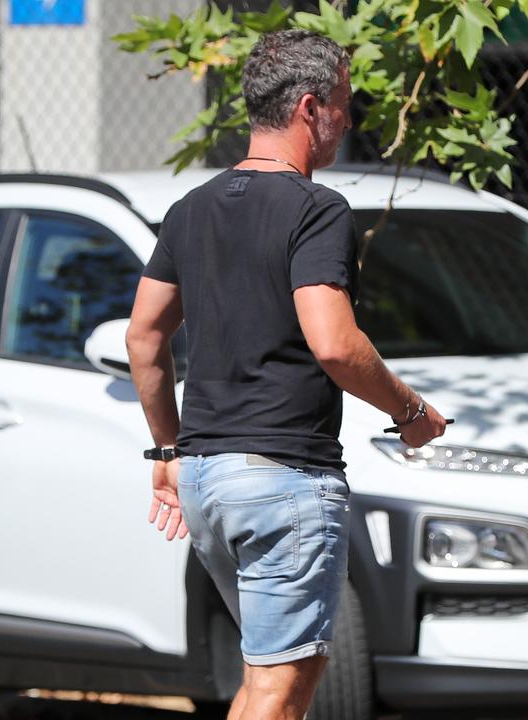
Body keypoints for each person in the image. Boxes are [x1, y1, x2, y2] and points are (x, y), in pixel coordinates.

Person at [125, 29, 447, 720]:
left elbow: (144, 336)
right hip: (283, 480)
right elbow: (333, 344)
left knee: (269, 678)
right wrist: (411, 412)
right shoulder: (317, 209)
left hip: (209, 479)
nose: (350, 121)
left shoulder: (192, 210)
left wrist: (168, 449)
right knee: (281, 686)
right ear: (309, 107)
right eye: (344, 104)